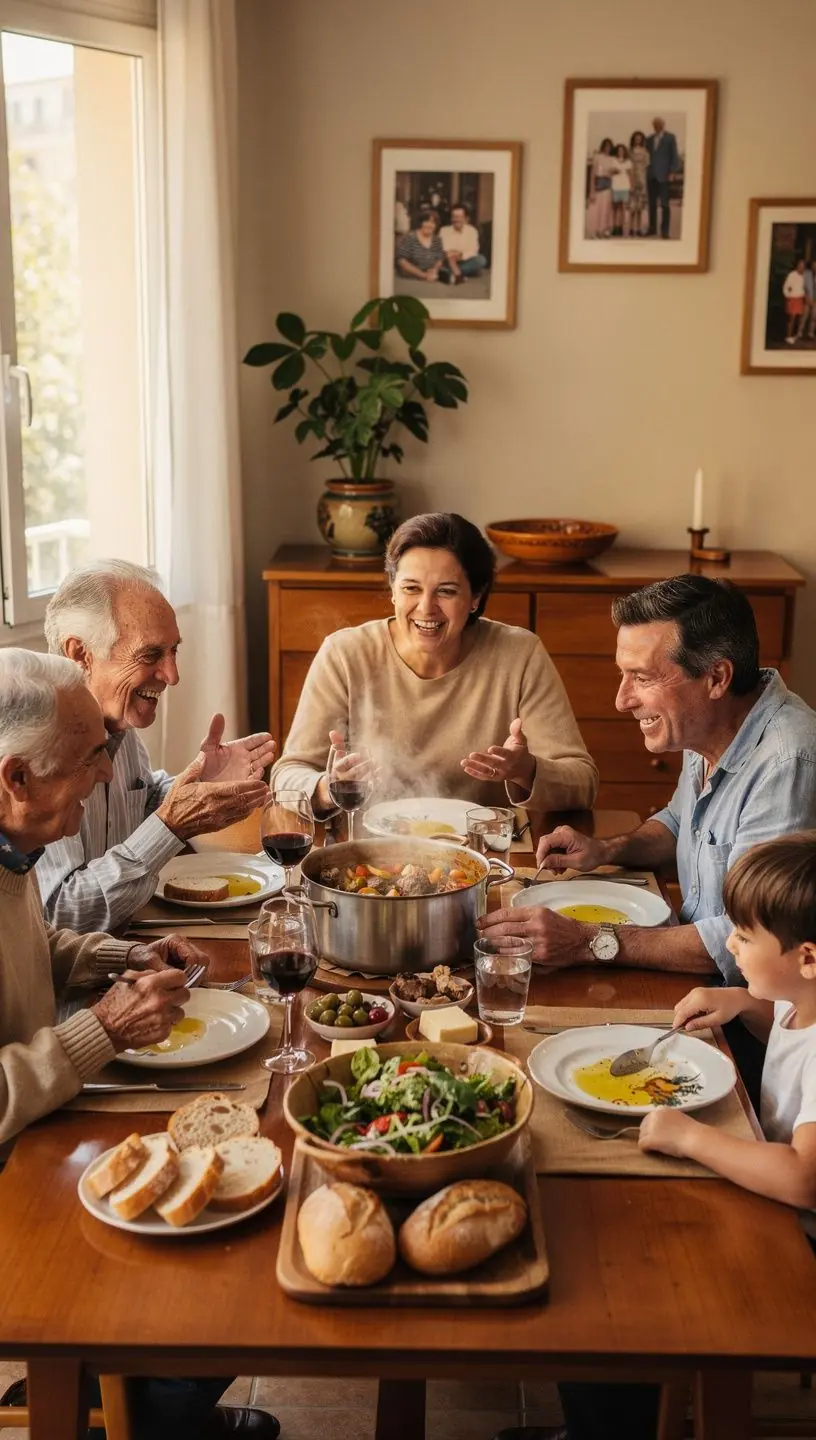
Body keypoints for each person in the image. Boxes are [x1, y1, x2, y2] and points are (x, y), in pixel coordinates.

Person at [0, 649, 279, 1438]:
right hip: (14, 1169)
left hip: (38, 1131)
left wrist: (119, 955)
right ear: (15, 777)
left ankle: (117, 1398)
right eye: (90, 759)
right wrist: (104, 1029)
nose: (104, 778)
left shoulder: (11, 845)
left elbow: (31, 944)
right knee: (224, 1268)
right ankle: (125, 1416)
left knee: (236, 1216)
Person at [480, 575, 816, 992]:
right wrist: (605, 850)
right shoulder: (711, 723)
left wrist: (586, 942)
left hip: (751, 1008)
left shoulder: (787, 763)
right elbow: (678, 823)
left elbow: (751, 941)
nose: (622, 700)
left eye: (642, 678)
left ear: (717, 678)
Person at [271, 512, 598, 817]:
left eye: (446, 591)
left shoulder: (519, 654)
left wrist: (526, 770)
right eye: (411, 589)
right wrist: (329, 788)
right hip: (370, 848)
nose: (426, 608)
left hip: (482, 849)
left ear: (476, 597)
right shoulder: (345, 654)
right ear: (393, 591)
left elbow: (583, 783)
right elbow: (287, 776)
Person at [36, 560, 274, 933]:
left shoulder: (117, 723)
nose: (172, 675)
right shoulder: (37, 754)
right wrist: (172, 825)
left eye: (173, 651)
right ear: (80, 654)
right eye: (150, 655)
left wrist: (200, 783)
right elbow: (65, 915)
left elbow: (141, 798)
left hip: (130, 940)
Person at [640, 832, 816, 1229]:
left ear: (807, 958)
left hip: (797, 1233)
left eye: (744, 936)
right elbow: (790, 1035)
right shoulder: (800, 996)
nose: (730, 944)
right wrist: (743, 1001)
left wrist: (689, 1139)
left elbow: (804, 1179)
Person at [646, 116, 679, 239]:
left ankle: (665, 231)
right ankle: (652, 228)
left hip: (664, 176)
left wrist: (672, 172)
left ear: (663, 125)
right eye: (655, 124)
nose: (657, 126)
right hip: (651, 176)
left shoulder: (670, 138)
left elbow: (674, 156)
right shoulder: (649, 139)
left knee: (665, 204)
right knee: (651, 204)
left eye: (659, 124)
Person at [439, 203, 488, 284]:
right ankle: (459, 274)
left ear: (466, 218)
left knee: (481, 260)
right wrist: (452, 254)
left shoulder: (472, 231)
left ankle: (451, 273)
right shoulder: (444, 230)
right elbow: (444, 248)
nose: (456, 220)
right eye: (454, 217)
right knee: (442, 260)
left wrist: (461, 255)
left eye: (459, 217)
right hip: (448, 260)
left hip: (465, 260)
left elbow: (473, 250)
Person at [395, 210, 447, 283]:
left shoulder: (437, 240)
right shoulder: (410, 237)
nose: (429, 225)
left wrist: (434, 270)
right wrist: (423, 275)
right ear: (421, 223)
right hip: (409, 280)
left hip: (430, 279)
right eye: (426, 221)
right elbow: (401, 261)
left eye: (433, 222)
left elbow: (440, 259)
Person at [587, 137, 614, 238]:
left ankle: (603, 230)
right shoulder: (597, 157)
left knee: (605, 209)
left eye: (609, 146)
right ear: (603, 147)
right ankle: (594, 231)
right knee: (596, 209)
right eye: (606, 146)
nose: (607, 148)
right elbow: (593, 174)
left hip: (608, 184)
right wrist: (592, 189)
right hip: (598, 183)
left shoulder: (611, 159)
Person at [628, 130, 650, 237]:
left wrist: (644, 181)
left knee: (640, 207)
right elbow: (628, 166)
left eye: (639, 138)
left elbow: (646, 166)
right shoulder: (630, 151)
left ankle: (639, 228)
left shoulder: (645, 152)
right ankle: (631, 228)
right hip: (632, 178)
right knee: (632, 207)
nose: (638, 140)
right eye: (636, 138)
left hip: (642, 179)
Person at [609, 144, 632, 237]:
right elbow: (610, 172)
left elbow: (631, 174)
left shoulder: (628, 162)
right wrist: (614, 171)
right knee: (615, 208)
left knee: (623, 208)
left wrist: (631, 186)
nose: (620, 152)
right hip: (615, 186)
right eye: (619, 150)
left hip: (625, 186)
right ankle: (615, 227)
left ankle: (622, 228)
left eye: (622, 150)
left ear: (624, 151)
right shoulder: (613, 160)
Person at [783, 258, 807, 343]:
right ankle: (788, 336)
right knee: (791, 319)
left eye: (803, 266)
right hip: (792, 299)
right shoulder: (792, 275)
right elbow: (786, 287)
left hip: (800, 299)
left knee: (799, 319)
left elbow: (804, 288)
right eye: (800, 265)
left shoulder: (804, 276)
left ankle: (795, 335)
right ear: (797, 266)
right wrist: (788, 297)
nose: (801, 267)